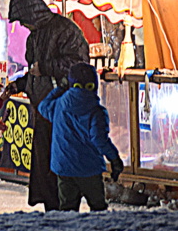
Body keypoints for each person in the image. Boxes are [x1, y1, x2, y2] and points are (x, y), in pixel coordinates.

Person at [5, 0, 90, 211]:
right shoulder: (35, 37)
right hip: (43, 113)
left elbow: (79, 65)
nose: (23, 26)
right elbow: (36, 74)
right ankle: (52, 214)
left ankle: (65, 216)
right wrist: (20, 85)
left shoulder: (65, 30)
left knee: (62, 170)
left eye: (24, 21)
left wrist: (45, 68)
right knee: (46, 171)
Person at [38, 63, 123, 211]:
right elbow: (99, 139)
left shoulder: (59, 104)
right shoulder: (97, 111)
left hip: (63, 167)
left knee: (67, 210)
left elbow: (43, 107)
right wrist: (114, 159)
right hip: (89, 168)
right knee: (98, 209)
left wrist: (59, 89)